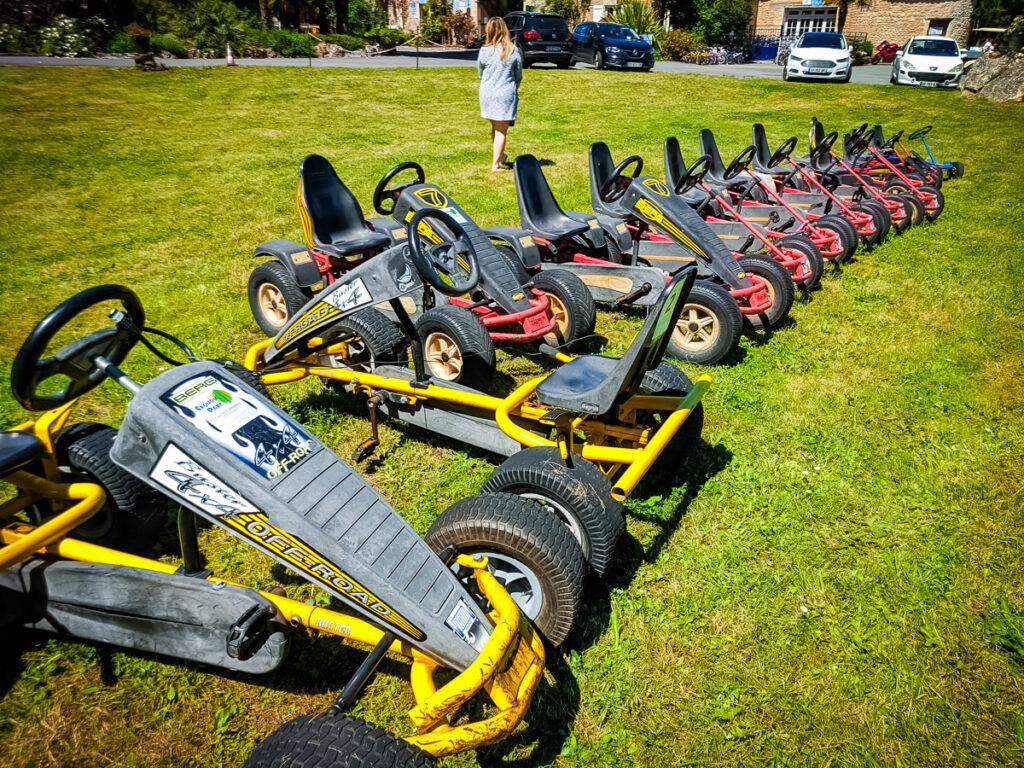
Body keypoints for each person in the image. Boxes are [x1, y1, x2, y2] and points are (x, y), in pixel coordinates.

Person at [477, 18, 522, 172]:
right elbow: (518, 75)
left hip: (487, 93)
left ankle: (501, 156)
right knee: (501, 131)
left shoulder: (484, 50)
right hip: (504, 93)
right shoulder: (513, 50)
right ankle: (495, 165)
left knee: (495, 128)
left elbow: (480, 73)